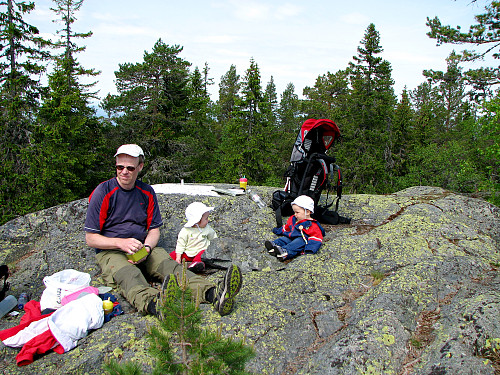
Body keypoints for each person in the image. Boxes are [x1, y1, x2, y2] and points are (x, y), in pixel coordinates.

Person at [84, 144, 242, 317]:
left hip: (143, 247)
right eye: (120, 167)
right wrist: (120, 243)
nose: (124, 172)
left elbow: (153, 230)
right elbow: (91, 238)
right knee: (129, 275)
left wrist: (147, 249)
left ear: (140, 167)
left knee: (170, 267)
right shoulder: (103, 192)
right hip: (112, 251)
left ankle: (214, 294)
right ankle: (156, 304)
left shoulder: (146, 192)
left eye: (130, 168)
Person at [265, 195, 325, 261]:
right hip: (292, 238)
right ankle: (274, 246)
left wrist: (310, 249)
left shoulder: (311, 225)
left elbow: (316, 238)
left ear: (307, 212)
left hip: (303, 241)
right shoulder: (293, 219)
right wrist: (278, 230)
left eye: (297, 212)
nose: (295, 214)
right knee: (284, 239)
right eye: (294, 212)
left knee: (297, 242)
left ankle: (285, 252)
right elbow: (287, 227)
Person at [170, 202, 217, 273]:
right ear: (197, 221)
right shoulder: (185, 231)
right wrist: (178, 256)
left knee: (202, 256)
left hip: (201, 251)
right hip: (187, 252)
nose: (208, 221)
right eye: (206, 219)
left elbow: (214, 238)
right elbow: (180, 244)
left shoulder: (207, 229)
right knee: (172, 255)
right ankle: (170, 262)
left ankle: (196, 265)